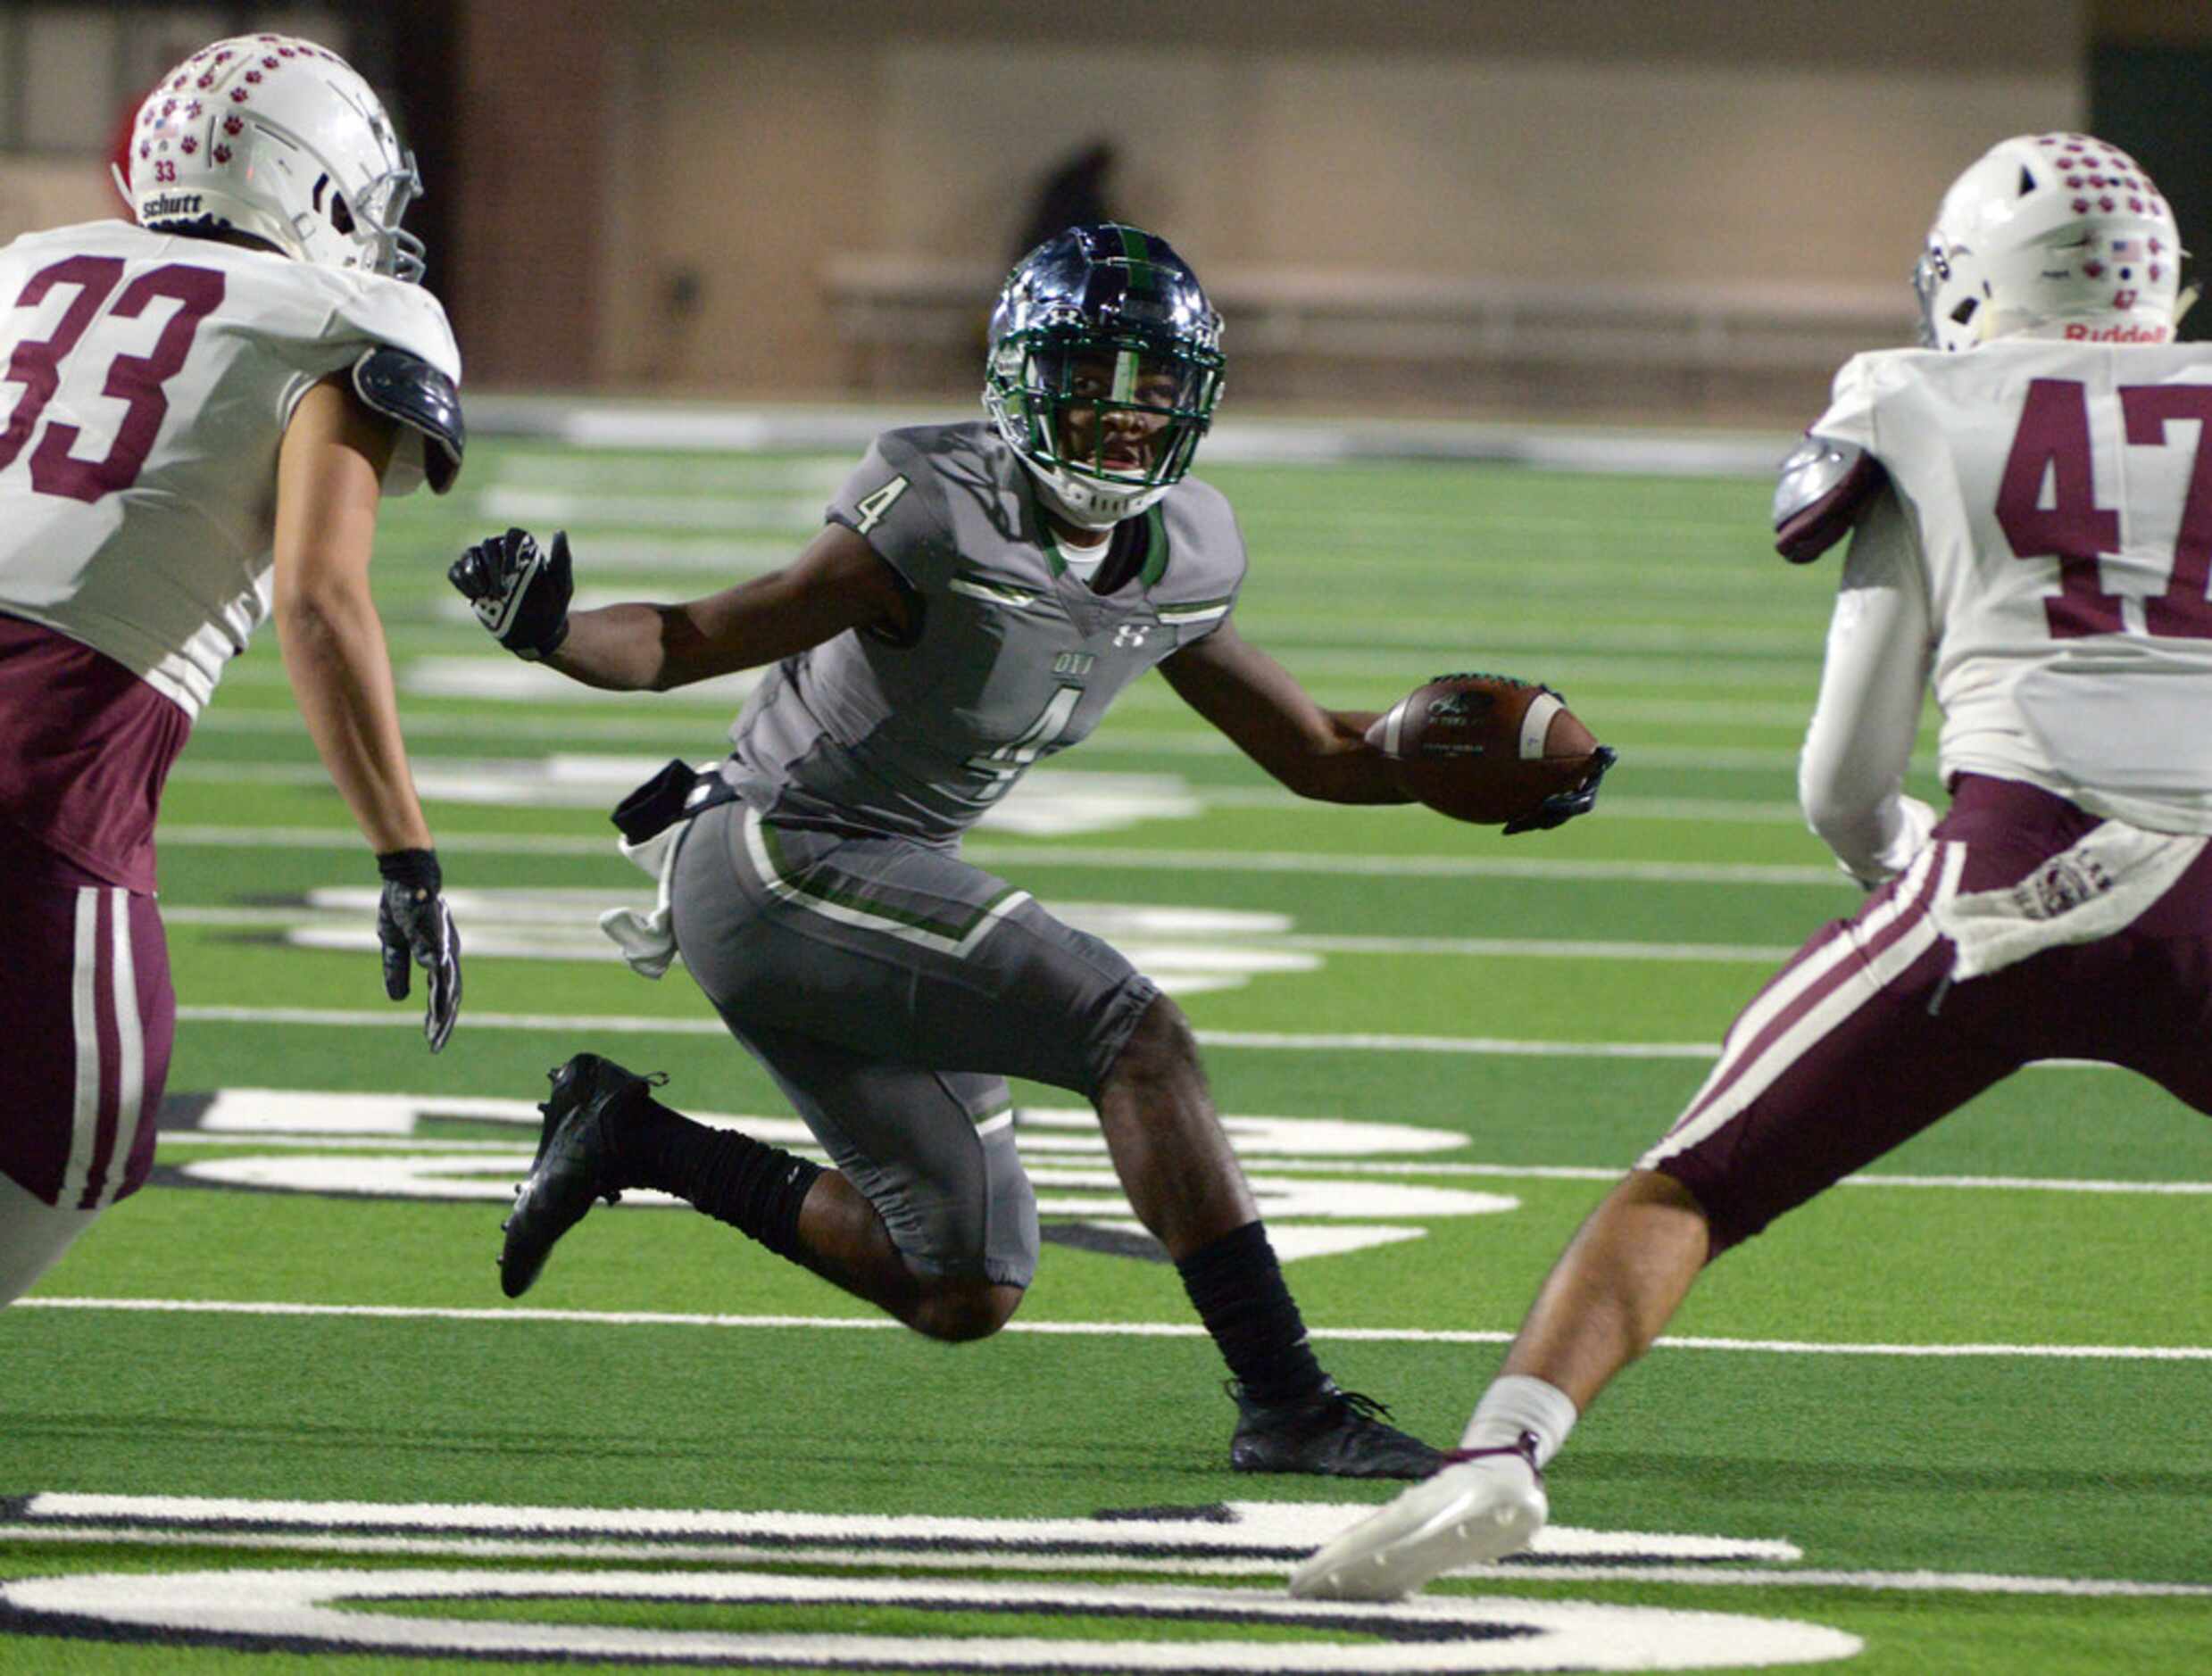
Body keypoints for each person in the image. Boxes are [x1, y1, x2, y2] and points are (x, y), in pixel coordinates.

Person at [449, 222, 1607, 1476]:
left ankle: (629, 1133)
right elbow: (686, 639)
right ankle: (1288, 1401)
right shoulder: (940, 509)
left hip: (875, 881)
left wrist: (1478, 776)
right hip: (777, 854)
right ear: (1014, 377)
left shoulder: (1185, 553)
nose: (1120, 414)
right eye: (1088, 375)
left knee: (960, 1277)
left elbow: (1319, 754)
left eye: (1149, 382)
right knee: (1132, 1031)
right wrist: (555, 627)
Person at [1291, 130, 2212, 1597]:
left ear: (1971, 285)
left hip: (2008, 863)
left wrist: (1917, 877)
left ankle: (1498, 1458)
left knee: (1692, 1183)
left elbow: (1842, 776)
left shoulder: (1914, 401)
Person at [0, 35, 465, 1306]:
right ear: (312, 188)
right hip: (47, 766)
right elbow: (320, 599)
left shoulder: (28, 271)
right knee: (84, 1135)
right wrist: (405, 853)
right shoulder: (343, 316)